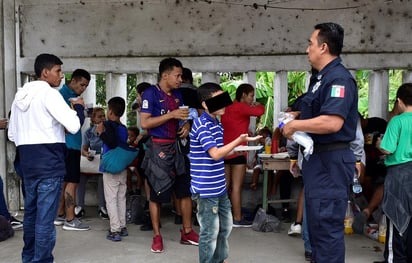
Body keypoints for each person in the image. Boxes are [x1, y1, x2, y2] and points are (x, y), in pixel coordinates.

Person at [282, 23, 358, 263]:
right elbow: (317, 112)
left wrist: (295, 126)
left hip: (330, 161)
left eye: (310, 43)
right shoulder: (320, 79)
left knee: (326, 230)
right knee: (316, 229)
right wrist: (297, 116)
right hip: (318, 160)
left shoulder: (339, 79)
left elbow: (332, 122)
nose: (307, 50)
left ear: (323, 47)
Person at [8, 53, 82, 263]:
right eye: (58, 71)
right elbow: (74, 126)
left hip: (28, 163)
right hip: (49, 163)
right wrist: (76, 108)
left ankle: (28, 257)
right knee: (45, 219)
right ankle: (41, 261)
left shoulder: (19, 96)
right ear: (45, 72)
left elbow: (12, 134)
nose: (61, 76)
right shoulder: (49, 95)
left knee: (31, 215)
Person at [189, 82, 261, 263]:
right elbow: (215, 154)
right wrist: (238, 141)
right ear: (205, 104)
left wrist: (243, 146)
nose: (223, 104)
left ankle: (220, 258)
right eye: (218, 100)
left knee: (225, 227)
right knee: (209, 232)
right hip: (206, 190)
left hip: (219, 188)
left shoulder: (217, 124)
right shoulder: (201, 124)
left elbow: (222, 152)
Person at [140, 58, 199, 252]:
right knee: (157, 194)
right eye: (178, 75)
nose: (180, 79)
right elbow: (145, 124)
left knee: (184, 190)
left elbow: (183, 116)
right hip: (158, 149)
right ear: (165, 75)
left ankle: (187, 231)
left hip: (178, 148)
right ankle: (157, 236)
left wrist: (186, 125)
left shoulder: (178, 95)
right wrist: (171, 115)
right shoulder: (150, 94)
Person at [221, 83, 265, 227]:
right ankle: (237, 218)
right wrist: (258, 104)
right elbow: (260, 112)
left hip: (224, 150)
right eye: (251, 95)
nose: (252, 99)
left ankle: (221, 216)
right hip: (238, 151)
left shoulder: (226, 106)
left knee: (224, 186)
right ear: (243, 95)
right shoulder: (241, 107)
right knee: (236, 188)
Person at [378, 83, 412, 262]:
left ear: (399, 101)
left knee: (396, 217)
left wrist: (379, 145)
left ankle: (395, 259)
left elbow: (387, 149)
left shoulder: (397, 121)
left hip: (399, 175)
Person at [54, 69, 91, 231]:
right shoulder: (65, 97)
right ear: (73, 80)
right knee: (72, 182)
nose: (83, 88)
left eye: (86, 86)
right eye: (82, 84)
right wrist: (79, 108)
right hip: (69, 145)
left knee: (64, 181)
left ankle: (60, 214)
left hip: (64, 145)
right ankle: (70, 218)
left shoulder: (63, 96)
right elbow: (73, 125)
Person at [95, 97, 129, 241]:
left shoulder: (108, 126)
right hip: (122, 166)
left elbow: (112, 142)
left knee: (111, 199)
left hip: (110, 167)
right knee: (121, 197)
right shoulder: (123, 128)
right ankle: (122, 226)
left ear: (110, 111)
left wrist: (101, 132)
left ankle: (115, 230)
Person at [75, 107, 108, 220]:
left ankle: (102, 207)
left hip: (104, 161)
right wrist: (87, 154)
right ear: (93, 119)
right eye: (99, 116)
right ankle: (80, 206)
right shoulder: (88, 132)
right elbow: (83, 149)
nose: (103, 118)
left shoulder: (108, 130)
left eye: (104, 115)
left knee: (102, 177)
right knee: (80, 176)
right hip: (92, 160)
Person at [126, 126, 142, 195]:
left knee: (139, 177)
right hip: (128, 164)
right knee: (128, 177)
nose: (129, 137)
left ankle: (138, 189)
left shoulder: (137, 144)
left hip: (135, 164)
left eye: (132, 136)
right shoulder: (126, 145)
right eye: (128, 135)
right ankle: (130, 190)